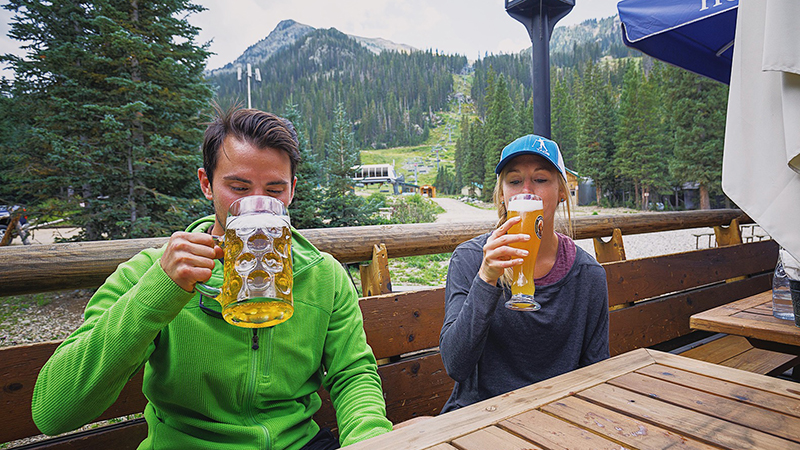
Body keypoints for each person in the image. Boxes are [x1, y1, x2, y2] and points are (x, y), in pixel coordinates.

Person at [31, 107, 393, 449]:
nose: (256, 206)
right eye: (238, 188)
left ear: (292, 190)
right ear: (207, 183)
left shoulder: (322, 273)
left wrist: (373, 440)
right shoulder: (153, 272)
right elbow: (53, 411)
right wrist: (161, 291)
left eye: (274, 191)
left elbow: (352, 374)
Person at [439, 134, 609, 413]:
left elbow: (596, 374)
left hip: (558, 417)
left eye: (541, 180)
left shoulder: (588, 275)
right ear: (503, 195)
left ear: (562, 191)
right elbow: (456, 365)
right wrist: (486, 277)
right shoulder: (470, 259)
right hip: (480, 417)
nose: (526, 192)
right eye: (515, 181)